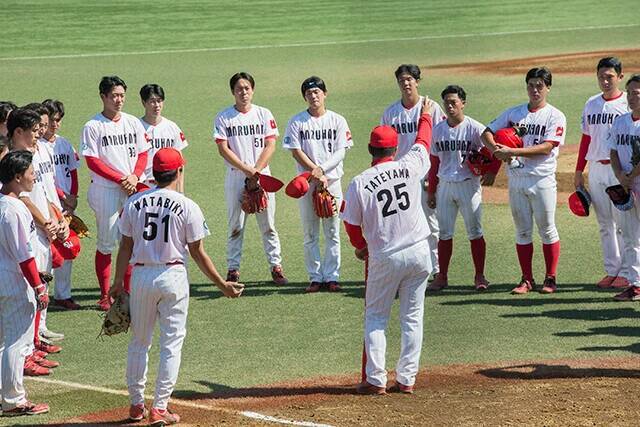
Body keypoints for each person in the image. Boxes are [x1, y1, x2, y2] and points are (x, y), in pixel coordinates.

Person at [110, 148, 243, 425]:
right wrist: (221, 284)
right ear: (179, 172)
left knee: (139, 342)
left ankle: (136, 405)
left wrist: (118, 282)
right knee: (171, 343)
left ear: (154, 173)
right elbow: (198, 253)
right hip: (173, 276)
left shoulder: (133, 202)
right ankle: (159, 408)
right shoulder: (187, 205)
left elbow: (125, 247)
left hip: (141, 276)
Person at [342, 98, 435, 395]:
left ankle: (375, 379)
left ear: (371, 149)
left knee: (376, 316)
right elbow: (423, 141)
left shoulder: (359, 182)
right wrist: (425, 115)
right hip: (419, 252)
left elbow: (351, 224)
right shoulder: (410, 165)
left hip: (385, 256)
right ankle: (407, 379)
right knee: (412, 317)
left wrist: (361, 247)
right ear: (395, 149)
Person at [482, 67, 566, 294]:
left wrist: (512, 152)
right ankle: (527, 279)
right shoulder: (514, 113)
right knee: (522, 231)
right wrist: (496, 150)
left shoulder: (555, 115)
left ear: (548, 87)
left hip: (542, 179)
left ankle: (550, 278)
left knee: (547, 229)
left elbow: (547, 147)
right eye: (531, 85)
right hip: (517, 180)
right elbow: (486, 132)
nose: (535, 90)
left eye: (540, 85)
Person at [80, 76, 150, 311]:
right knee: (106, 242)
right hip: (106, 190)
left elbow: (143, 153)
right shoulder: (93, 126)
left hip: (132, 188)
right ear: (103, 97)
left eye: (122, 95)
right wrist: (122, 178)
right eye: (114, 96)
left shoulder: (133, 122)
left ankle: (126, 293)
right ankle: (104, 295)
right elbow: (92, 161)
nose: (119, 100)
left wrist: (135, 177)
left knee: (131, 240)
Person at [213, 72, 288, 285]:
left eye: (247, 88)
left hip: (262, 174)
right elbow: (223, 149)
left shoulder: (264, 114)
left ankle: (276, 266)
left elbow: (270, 145)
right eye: (239, 88)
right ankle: (233, 269)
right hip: (236, 176)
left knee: (269, 225)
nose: (243, 92)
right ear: (233, 91)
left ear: (253, 90)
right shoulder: (224, 117)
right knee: (235, 225)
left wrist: (256, 170)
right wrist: (247, 170)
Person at [283, 76, 353, 292]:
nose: (313, 96)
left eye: (317, 92)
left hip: (332, 182)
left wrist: (322, 171)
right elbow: (296, 151)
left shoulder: (338, 120)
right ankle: (315, 277)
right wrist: (315, 172)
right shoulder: (297, 121)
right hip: (307, 184)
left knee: (332, 231)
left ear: (325, 94)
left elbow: (341, 151)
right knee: (309, 233)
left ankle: (332, 276)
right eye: (309, 93)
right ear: (304, 97)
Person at [8, 108, 64, 374]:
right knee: (30, 293)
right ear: (18, 132)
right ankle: (25, 354)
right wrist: (46, 222)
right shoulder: (10, 160)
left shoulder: (34, 154)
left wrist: (57, 218)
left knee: (40, 287)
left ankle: (32, 345)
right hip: (29, 231)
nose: (37, 135)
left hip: (42, 228)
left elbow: (44, 190)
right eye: (33, 131)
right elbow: (22, 197)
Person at [426, 85, 497, 292]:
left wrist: (492, 171)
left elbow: (495, 148)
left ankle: (480, 276)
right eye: (446, 102)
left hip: (469, 185)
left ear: (463, 103)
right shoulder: (437, 130)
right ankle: (442, 276)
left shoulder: (475, 128)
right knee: (444, 233)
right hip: (445, 186)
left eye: (453, 102)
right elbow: (434, 162)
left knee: (475, 232)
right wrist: (431, 191)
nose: (450, 106)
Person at [380, 64, 446, 282]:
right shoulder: (391, 113)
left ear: (417, 81)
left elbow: (440, 141)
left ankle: (436, 269)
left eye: (409, 79)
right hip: (400, 178)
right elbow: (386, 147)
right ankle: (406, 269)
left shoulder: (432, 108)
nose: (406, 83)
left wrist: (434, 177)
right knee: (402, 225)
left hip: (426, 175)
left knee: (431, 224)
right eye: (402, 80)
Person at [0, 150, 50, 417]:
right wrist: (39, 287)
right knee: (17, 343)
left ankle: (4, 395)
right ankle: (13, 400)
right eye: (31, 173)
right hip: (13, 283)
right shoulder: (15, 209)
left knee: (2, 341)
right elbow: (24, 255)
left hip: (3, 278)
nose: (34, 177)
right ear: (17, 177)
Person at [574, 57, 631, 289]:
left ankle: (627, 271)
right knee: (604, 223)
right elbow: (586, 138)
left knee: (624, 223)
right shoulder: (591, 103)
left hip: (620, 169)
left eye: (610, 77)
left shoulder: (628, 103)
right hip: (596, 168)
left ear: (620, 77)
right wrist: (579, 170)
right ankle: (612, 270)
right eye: (601, 77)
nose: (605, 81)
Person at [41, 99, 81, 311]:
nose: (55, 124)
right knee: (47, 251)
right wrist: (64, 196)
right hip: (49, 204)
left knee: (67, 247)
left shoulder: (65, 144)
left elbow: (73, 172)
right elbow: (47, 179)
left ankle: (63, 295)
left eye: (58, 120)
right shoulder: (39, 147)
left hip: (67, 205)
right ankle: (42, 294)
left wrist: (73, 196)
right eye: (51, 120)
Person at [607, 74, 640, 302]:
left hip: (633, 181)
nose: (631, 97)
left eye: (636, 93)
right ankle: (636, 285)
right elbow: (613, 152)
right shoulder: (619, 122)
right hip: (627, 184)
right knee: (630, 236)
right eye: (629, 93)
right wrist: (620, 175)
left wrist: (630, 176)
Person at [139, 84, 188, 192]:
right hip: (143, 184)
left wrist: (180, 190)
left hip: (168, 185)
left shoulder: (172, 127)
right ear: (143, 102)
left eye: (159, 101)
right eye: (152, 101)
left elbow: (179, 162)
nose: (157, 105)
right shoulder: (136, 127)